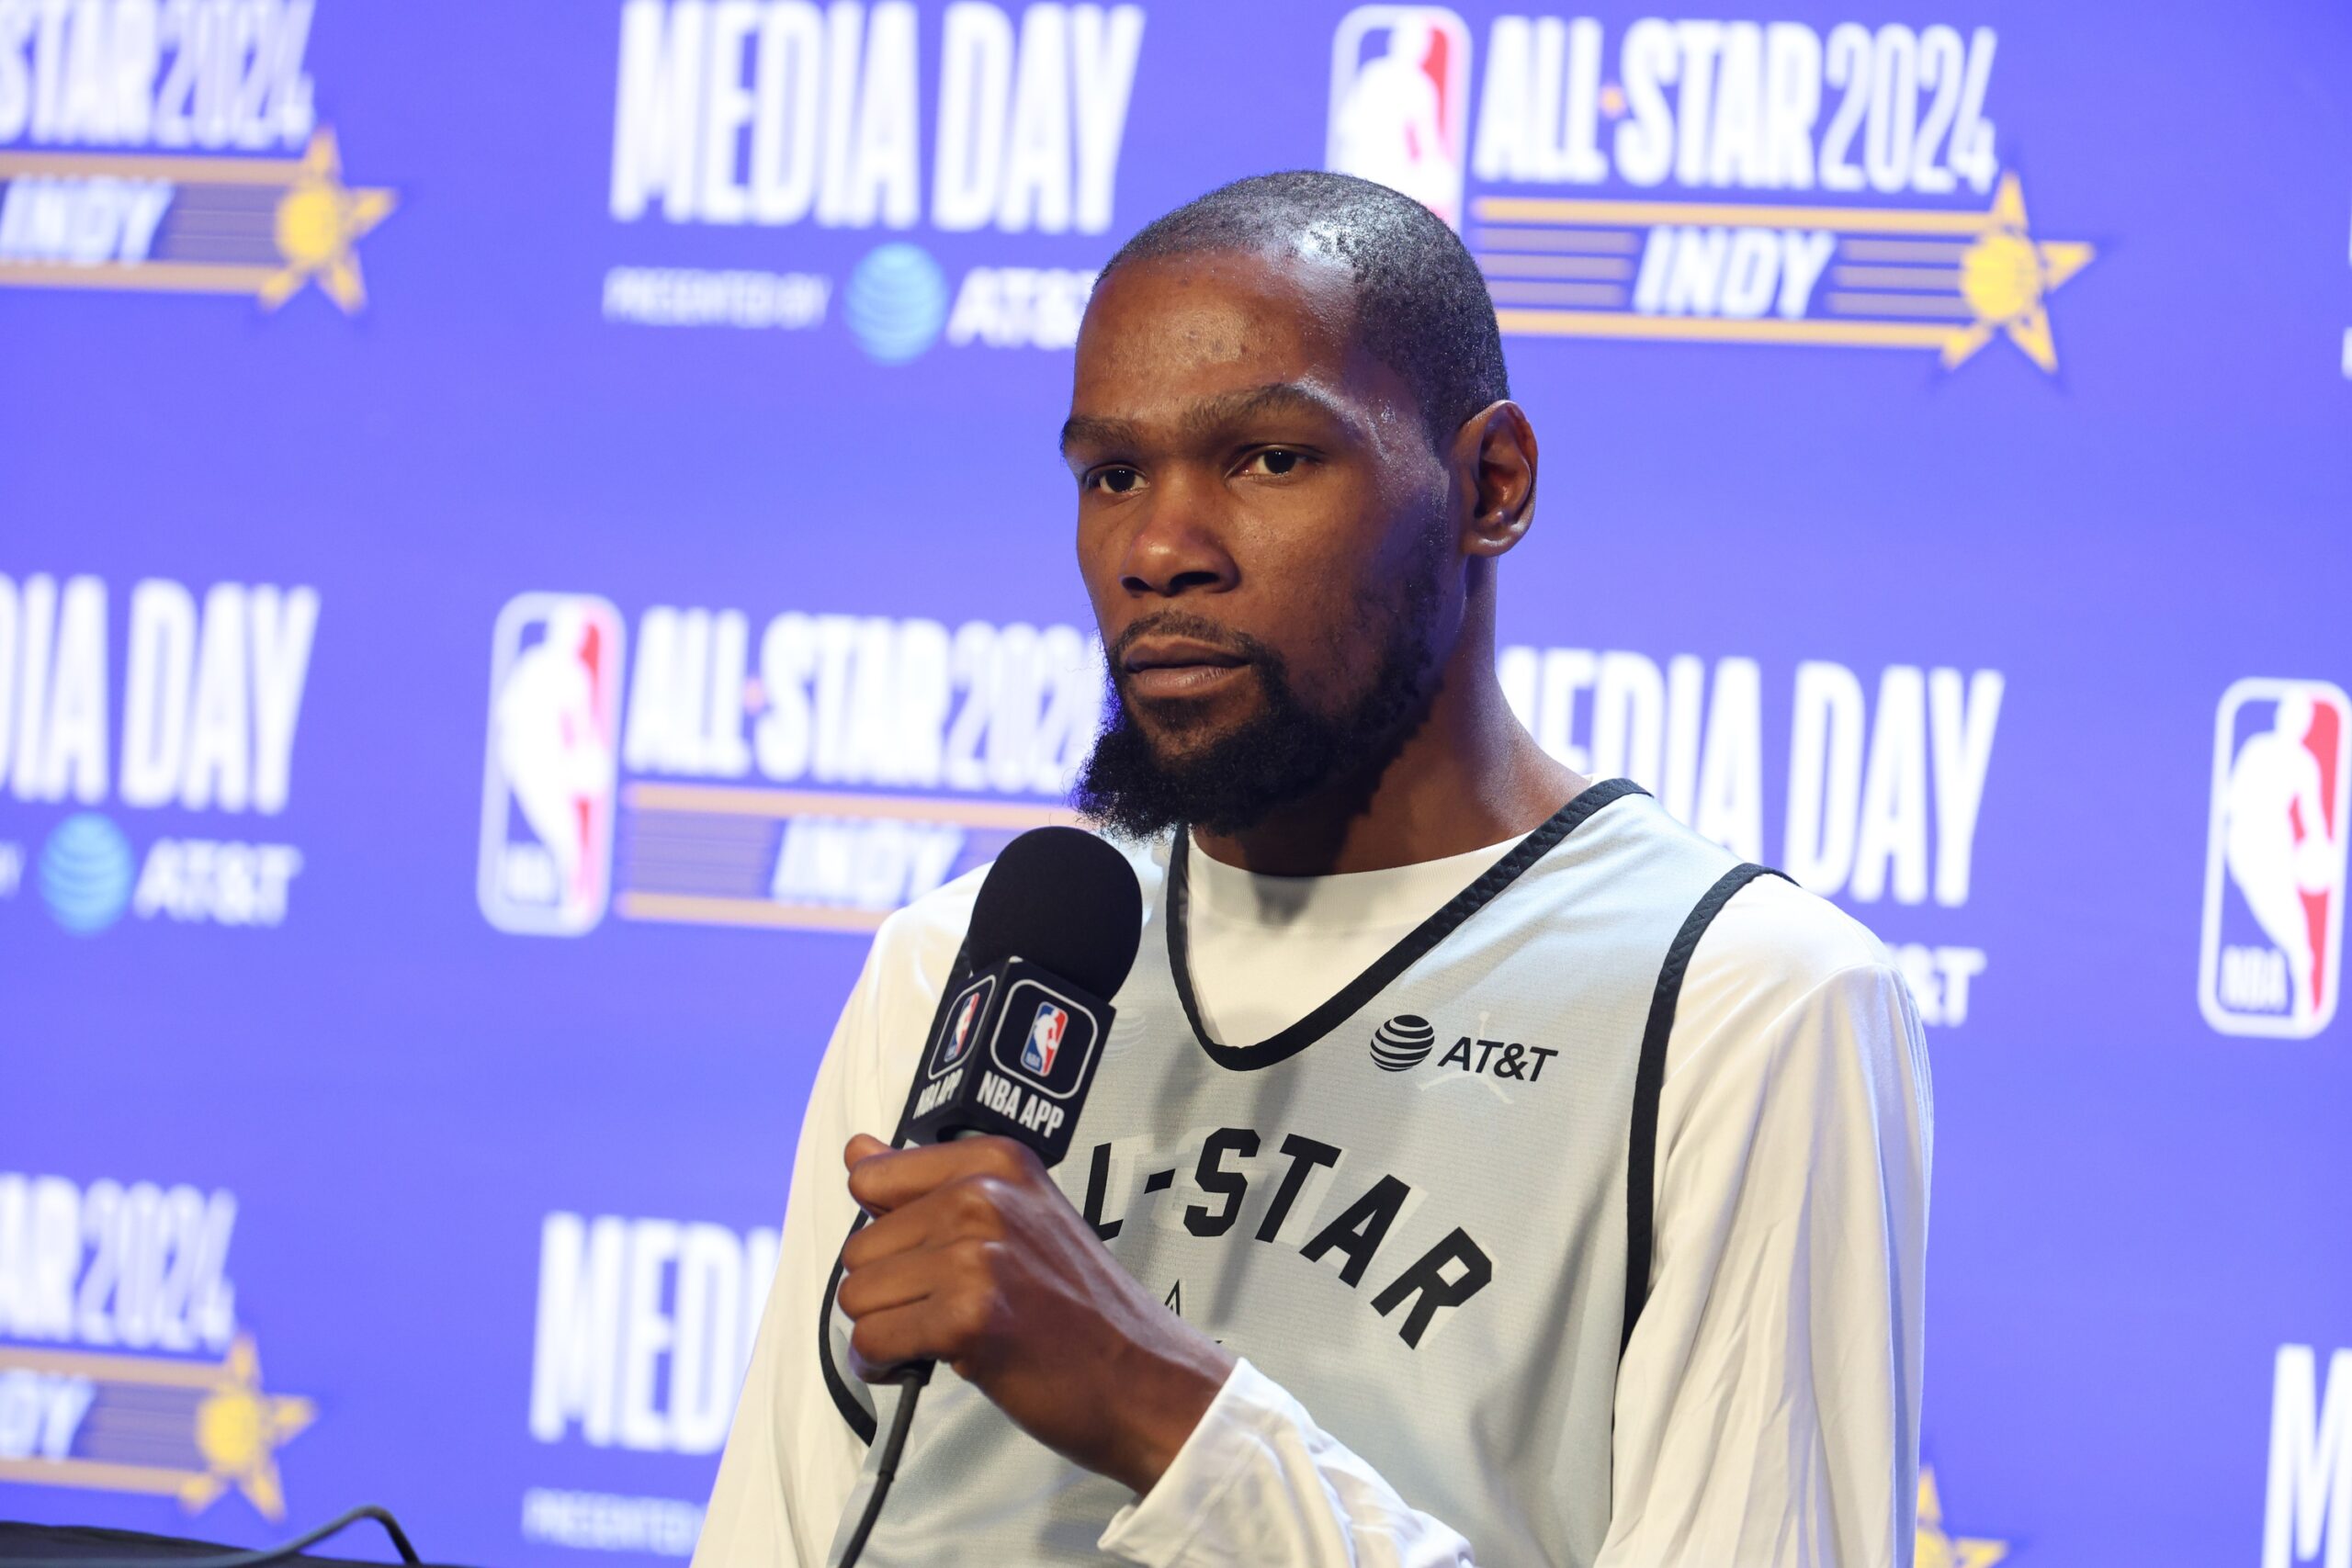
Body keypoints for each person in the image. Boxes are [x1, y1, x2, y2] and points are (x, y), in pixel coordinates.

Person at [694, 171, 1931, 1567]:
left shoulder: (1739, 1001)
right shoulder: (963, 959)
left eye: (1270, 459)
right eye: (1113, 475)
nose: (1160, 550)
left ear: (1492, 485)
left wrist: (1167, 1414)